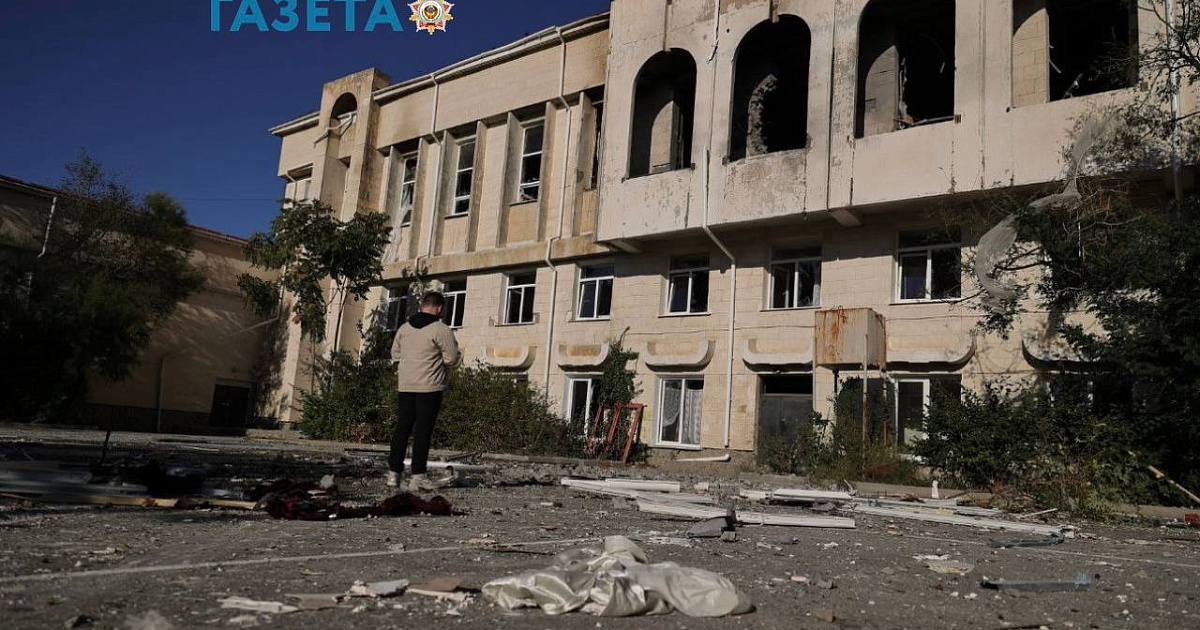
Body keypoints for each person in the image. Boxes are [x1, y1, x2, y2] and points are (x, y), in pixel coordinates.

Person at [388, 291, 461, 491]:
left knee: (402, 428)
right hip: (430, 387)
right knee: (422, 432)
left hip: (405, 385)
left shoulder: (404, 328)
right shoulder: (440, 329)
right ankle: (417, 477)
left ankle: (393, 474)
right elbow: (451, 358)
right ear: (440, 308)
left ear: (422, 305)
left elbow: (395, 355)